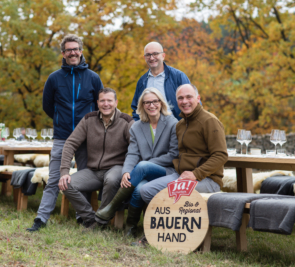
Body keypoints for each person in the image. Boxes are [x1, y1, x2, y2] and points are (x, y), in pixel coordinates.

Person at [26, 34, 103, 232]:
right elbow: (47, 106)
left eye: (75, 49)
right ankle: (41, 218)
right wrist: (61, 120)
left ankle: (82, 216)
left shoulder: (93, 78)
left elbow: (100, 107)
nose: (72, 52)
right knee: (54, 179)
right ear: (63, 53)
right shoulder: (54, 78)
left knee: (84, 179)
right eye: (68, 50)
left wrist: (88, 128)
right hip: (62, 137)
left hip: (86, 139)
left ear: (81, 51)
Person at [135, 83, 228, 245]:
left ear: (198, 99)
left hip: (208, 180)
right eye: (180, 98)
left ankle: (157, 238)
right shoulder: (180, 125)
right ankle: (165, 232)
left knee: (171, 192)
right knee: (146, 190)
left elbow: (220, 155)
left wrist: (195, 174)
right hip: (181, 175)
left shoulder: (210, 121)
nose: (185, 101)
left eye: (189, 97)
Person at [95, 88, 178, 236]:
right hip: (142, 172)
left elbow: (173, 154)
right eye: (147, 102)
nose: (151, 105)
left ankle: (112, 207)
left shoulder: (172, 123)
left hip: (167, 171)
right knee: (139, 188)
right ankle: (131, 227)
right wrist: (126, 171)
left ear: (161, 103)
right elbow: (132, 153)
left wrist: (146, 164)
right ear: (142, 105)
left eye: (155, 101)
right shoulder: (136, 127)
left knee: (143, 165)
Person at [59, 88, 134, 229]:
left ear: (116, 102)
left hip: (116, 168)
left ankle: (102, 221)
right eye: (103, 101)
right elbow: (70, 143)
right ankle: (92, 220)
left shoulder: (127, 121)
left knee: (111, 180)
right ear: (98, 103)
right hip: (93, 171)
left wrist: (128, 170)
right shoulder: (88, 119)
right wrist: (64, 172)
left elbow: (135, 149)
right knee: (66, 184)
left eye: (109, 100)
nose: (106, 104)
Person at [131, 42, 190, 121]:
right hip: (151, 130)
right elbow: (136, 109)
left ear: (163, 56)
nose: (151, 58)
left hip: (178, 128)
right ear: (144, 57)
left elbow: (193, 102)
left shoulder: (178, 77)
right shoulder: (142, 81)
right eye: (148, 55)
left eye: (155, 54)